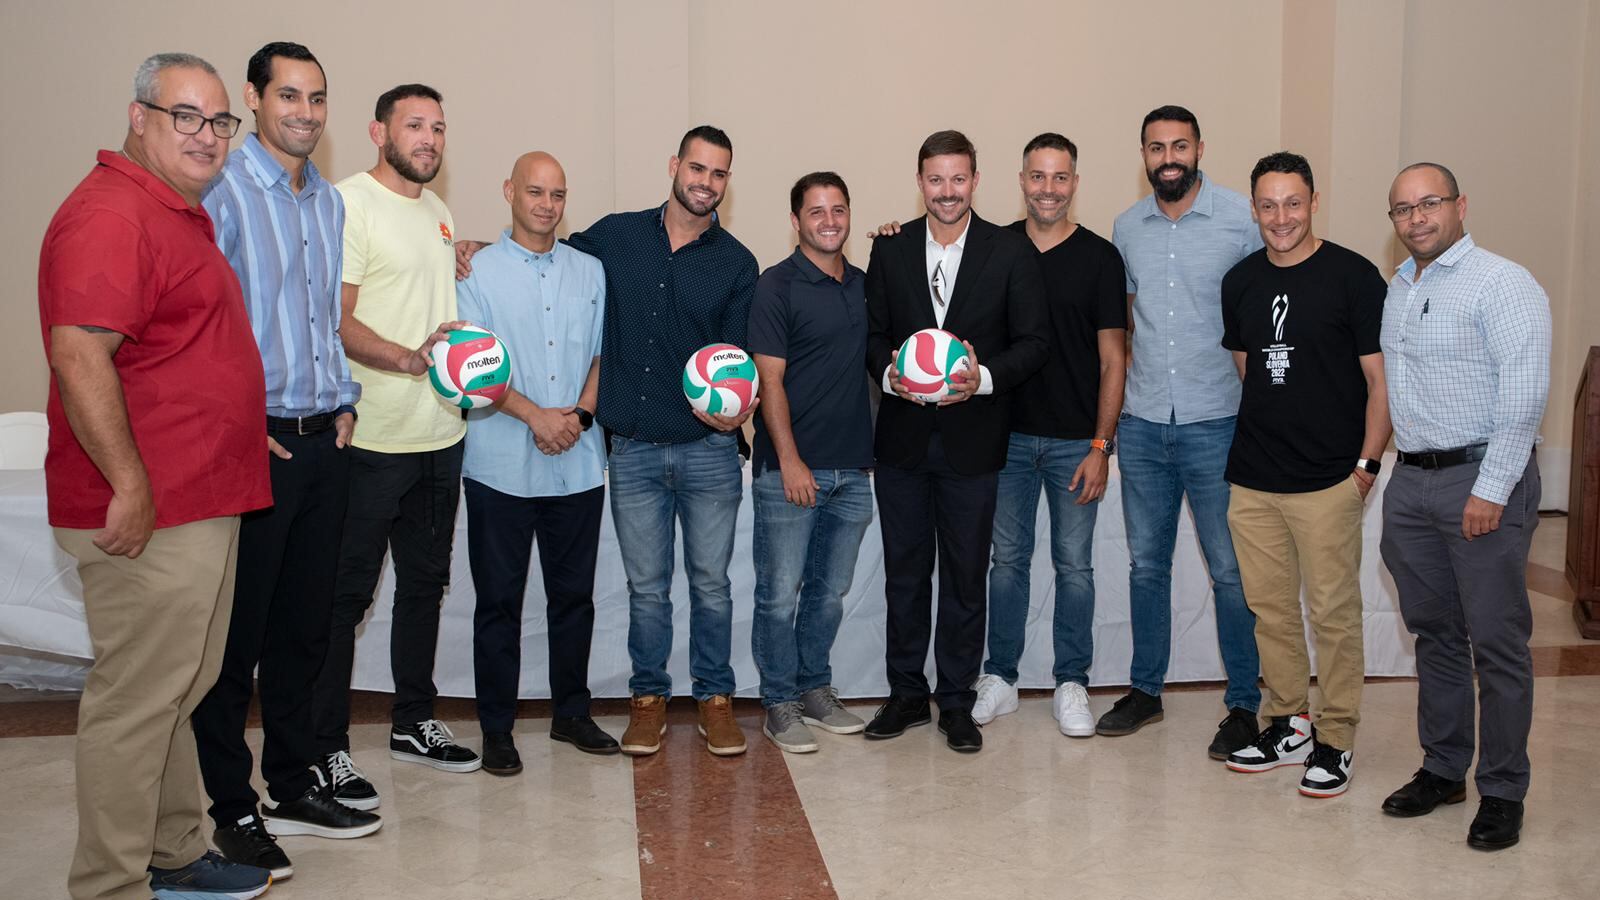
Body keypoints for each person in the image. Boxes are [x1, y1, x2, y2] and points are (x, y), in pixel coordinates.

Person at [39, 52, 273, 900]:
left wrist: (243, 427)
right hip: (154, 508)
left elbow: (174, 358)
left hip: (199, 497)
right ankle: (108, 884)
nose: (206, 137)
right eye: (186, 116)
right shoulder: (112, 214)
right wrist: (130, 485)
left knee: (182, 685)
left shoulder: (170, 210)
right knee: (136, 703)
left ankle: (174, 852)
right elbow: (78, 351)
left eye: (219, 122)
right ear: (138, 118)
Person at [458, 125, 759, 757]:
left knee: (712, 584)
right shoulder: (614, 239)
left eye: (719, 174)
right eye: (697, 168)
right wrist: (475, 247)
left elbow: (736, 361)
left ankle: (716, 700)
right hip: (636, 453)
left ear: (727, 183)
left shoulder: (737, 263)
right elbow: (541, 252)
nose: (706, 182)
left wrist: (739, 406)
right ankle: (646, 701)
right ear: (675, 165)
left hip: (708, 452)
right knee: (645, 589)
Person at [190, 42, 380, 880]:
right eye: (289, 96)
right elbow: (201, 326)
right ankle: (232, 808)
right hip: (253, 445)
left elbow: (320, 321)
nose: (304, 112)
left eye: (317, 98)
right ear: (255, 99)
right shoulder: (222, 192)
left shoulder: (330, 205)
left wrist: (343, 402)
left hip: (324, 442)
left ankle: (293, 782)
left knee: (306, 631)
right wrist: (237, 420)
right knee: (239, 640)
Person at [311, 83, 476, 810]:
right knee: (343, 598)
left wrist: (462, 252)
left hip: (443, 436)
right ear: (378, 132)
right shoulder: (348, 203)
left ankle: (412, 720)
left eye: (438, 128)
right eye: (415, 126)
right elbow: (336, 319)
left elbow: (425, 293)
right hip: (371, 438)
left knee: (423, 587)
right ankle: (325, 749)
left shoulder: (438, 212)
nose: (429, 139)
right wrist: (409, 359)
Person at [1377, 162, 1550, 850]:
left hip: (1480, 480)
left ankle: (1503, 789)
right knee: (1436, 636)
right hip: (1413, 481)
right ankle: (1445, 768)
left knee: (1497, 643)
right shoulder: (1399, 286)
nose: (1417, 219)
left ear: (1459, 206)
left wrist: (1492, 487)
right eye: (1402, 210)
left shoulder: (1503, 283)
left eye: (1429, 204)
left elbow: (1524, 392)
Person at [861, 130, 1048, 754]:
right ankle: (907, 694)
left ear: (975, 180)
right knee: (905, 574)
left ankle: (957, 701)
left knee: (967, 577)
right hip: (903, 443)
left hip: (974, 442)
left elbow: (1033, 343)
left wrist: (983, 378)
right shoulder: (888, 251)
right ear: (920, 182)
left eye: (958, 179)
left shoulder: (1010, 251)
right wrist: (891, 375)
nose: (947, 192)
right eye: (936, 180)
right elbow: (872, 335)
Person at [1217, 152, 1389, 799]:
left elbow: (1380, 382)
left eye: (1292, 202)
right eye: (1268, 205)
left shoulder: (1353, 277)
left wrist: (1366, 467)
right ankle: (1288, 721)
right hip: (1255, 478)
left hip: (1328, 482)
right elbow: (1249, 370)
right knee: (1270, 611)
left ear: (1313, 201)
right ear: (1254, 209)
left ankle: (1337, 737)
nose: (1280, 217)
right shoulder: (1240, 282)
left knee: (1334, 613)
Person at [1103, 105, 1264, 758]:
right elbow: (1127, 321)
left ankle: (1245, 705)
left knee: (1230, 571)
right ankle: (1145, 690)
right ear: (1142, 155)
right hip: (1143, 425)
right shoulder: (1126, 227)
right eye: (1155, 147)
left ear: (1200, 148)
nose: (1168, 156)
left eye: (1179, 145)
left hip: (1218, 422)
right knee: (1146, 566)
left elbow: (1261, 313)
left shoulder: (1239, 220)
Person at [456, 151, 617, 774]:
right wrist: (536, 417)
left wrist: (575, 416)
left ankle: (571, 715)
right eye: (534, 192)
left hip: (577, 461)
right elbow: (472, 363)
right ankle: (496, 728)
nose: (546, 205)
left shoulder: (591, 272)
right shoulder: (476, 272)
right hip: (500, 463)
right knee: (498, 601)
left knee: (574, 598)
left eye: (556, 194)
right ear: (508, 193)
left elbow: (606, 357)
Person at [969, 132, 1127, 738]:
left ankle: (1071, 682)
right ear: (1021, 180)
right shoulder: (994, 247)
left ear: (1075, 184)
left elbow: (1114, 359)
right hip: (1002, 438)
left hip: (1072, 443)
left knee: (1074, 566)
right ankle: (1001, 678)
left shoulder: (1100, 258)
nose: (1048, 189)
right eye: (1038, 176)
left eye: (1060, 178)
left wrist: (1100, 445)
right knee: (1005, 563)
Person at [747, 172, 875, 753]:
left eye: (839, 209)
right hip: (790, 472)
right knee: (779, 592)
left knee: (828, 591)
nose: (829, 220)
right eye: (816, 211)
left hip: (854, 470)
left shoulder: (864, 285)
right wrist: (791, 461)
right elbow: (768, 380)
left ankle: (815, 689)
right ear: (795, 220)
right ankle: (779, 702)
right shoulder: (777, 286)